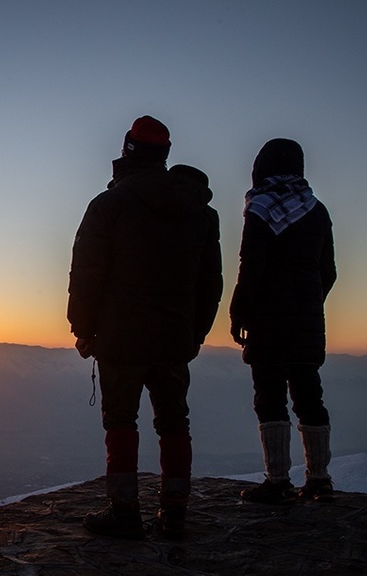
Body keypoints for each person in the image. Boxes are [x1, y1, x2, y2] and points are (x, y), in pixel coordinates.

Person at [67, 115, 223, 538]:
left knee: (120, 420)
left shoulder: (110, 205)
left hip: (121, 335)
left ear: (127, 151)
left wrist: (83, 326)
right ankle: (175, 511)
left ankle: (124, 510)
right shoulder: (200, 213)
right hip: (175, 336)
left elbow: (87, 272)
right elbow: (211, 283)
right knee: (174, 421)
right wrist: (196, 334)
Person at [229, 138, 337, 504]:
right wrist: (309, 301)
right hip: (307, 319)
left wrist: (239, 312)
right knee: (309, 395)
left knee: (270, 397)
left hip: (268, 318)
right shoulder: (317, 210)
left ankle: (277, 482)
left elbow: (251, 266)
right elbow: (330, 271)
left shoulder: (260, 208)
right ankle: (319, 480)